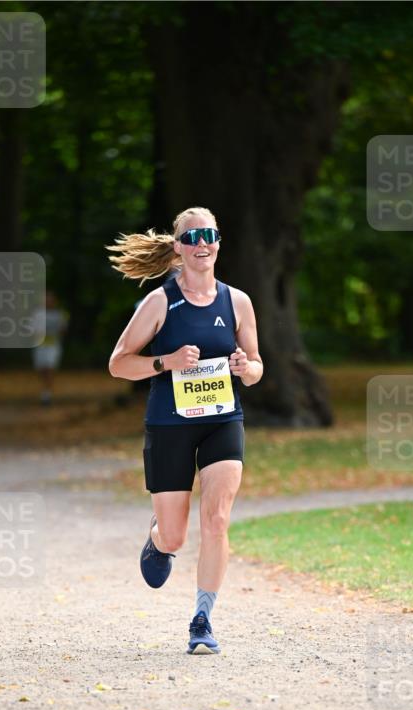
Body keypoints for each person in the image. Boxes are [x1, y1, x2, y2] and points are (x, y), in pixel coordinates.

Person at [107, 207, 263, 653]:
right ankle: (160, 539)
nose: (201, 244)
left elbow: (256, 367)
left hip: (221, 420)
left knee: (217, 519)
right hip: (170, 424)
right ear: (178, 247)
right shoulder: (160, 302)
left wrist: (245, 367)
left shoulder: (237, 302)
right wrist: (167, 362)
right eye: (191, 237)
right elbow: (118, 363)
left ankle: (202, 619)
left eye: (208, 235)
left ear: (218, 242)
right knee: (177, 535)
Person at [31, 291, 68, 405]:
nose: (48, 302)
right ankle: (45, 389)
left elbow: (63, 331)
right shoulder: (37, 314)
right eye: (46, 300)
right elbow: (32, 330)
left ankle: (46, 394)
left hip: (53, 346)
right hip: (40, 345)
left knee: (50, 368)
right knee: (41, 370)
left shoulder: (59, 315)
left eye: (50, 300)